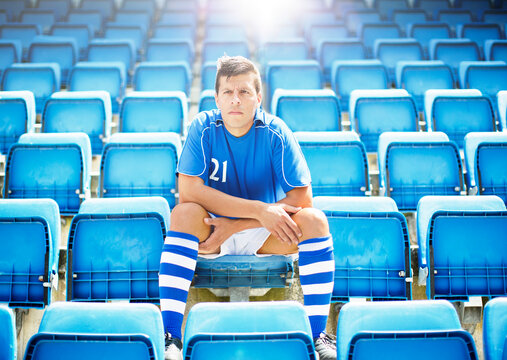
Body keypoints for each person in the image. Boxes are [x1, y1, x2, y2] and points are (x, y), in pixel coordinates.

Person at [159, 55, 336, 360]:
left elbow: (302, 199)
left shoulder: (275, 131)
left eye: (244, 92)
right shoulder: (203, 127)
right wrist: (257, 209)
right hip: (213, 229)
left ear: (258, 97)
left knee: (315, 221)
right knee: (182, 214)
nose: (235, 100)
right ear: (216, 98)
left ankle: (316, 335)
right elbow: (189, 192)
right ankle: (171, 336)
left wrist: (244, 222)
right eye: (228, 92)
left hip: (263, 232)